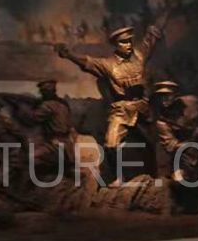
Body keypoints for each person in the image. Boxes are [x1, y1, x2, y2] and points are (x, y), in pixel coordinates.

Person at [56, 24, 161, 180]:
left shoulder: (138, 56)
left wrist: (159, 22)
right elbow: (87, 62)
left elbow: (149, 40)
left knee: (153, 142)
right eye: (123, 42)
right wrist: (69, 55)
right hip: (121, 110)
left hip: (142, 109)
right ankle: (118, 176)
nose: (128, 45)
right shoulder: (108, 65)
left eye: (129, 41)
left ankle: (155, 174)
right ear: (116, 45)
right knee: (111, 144)